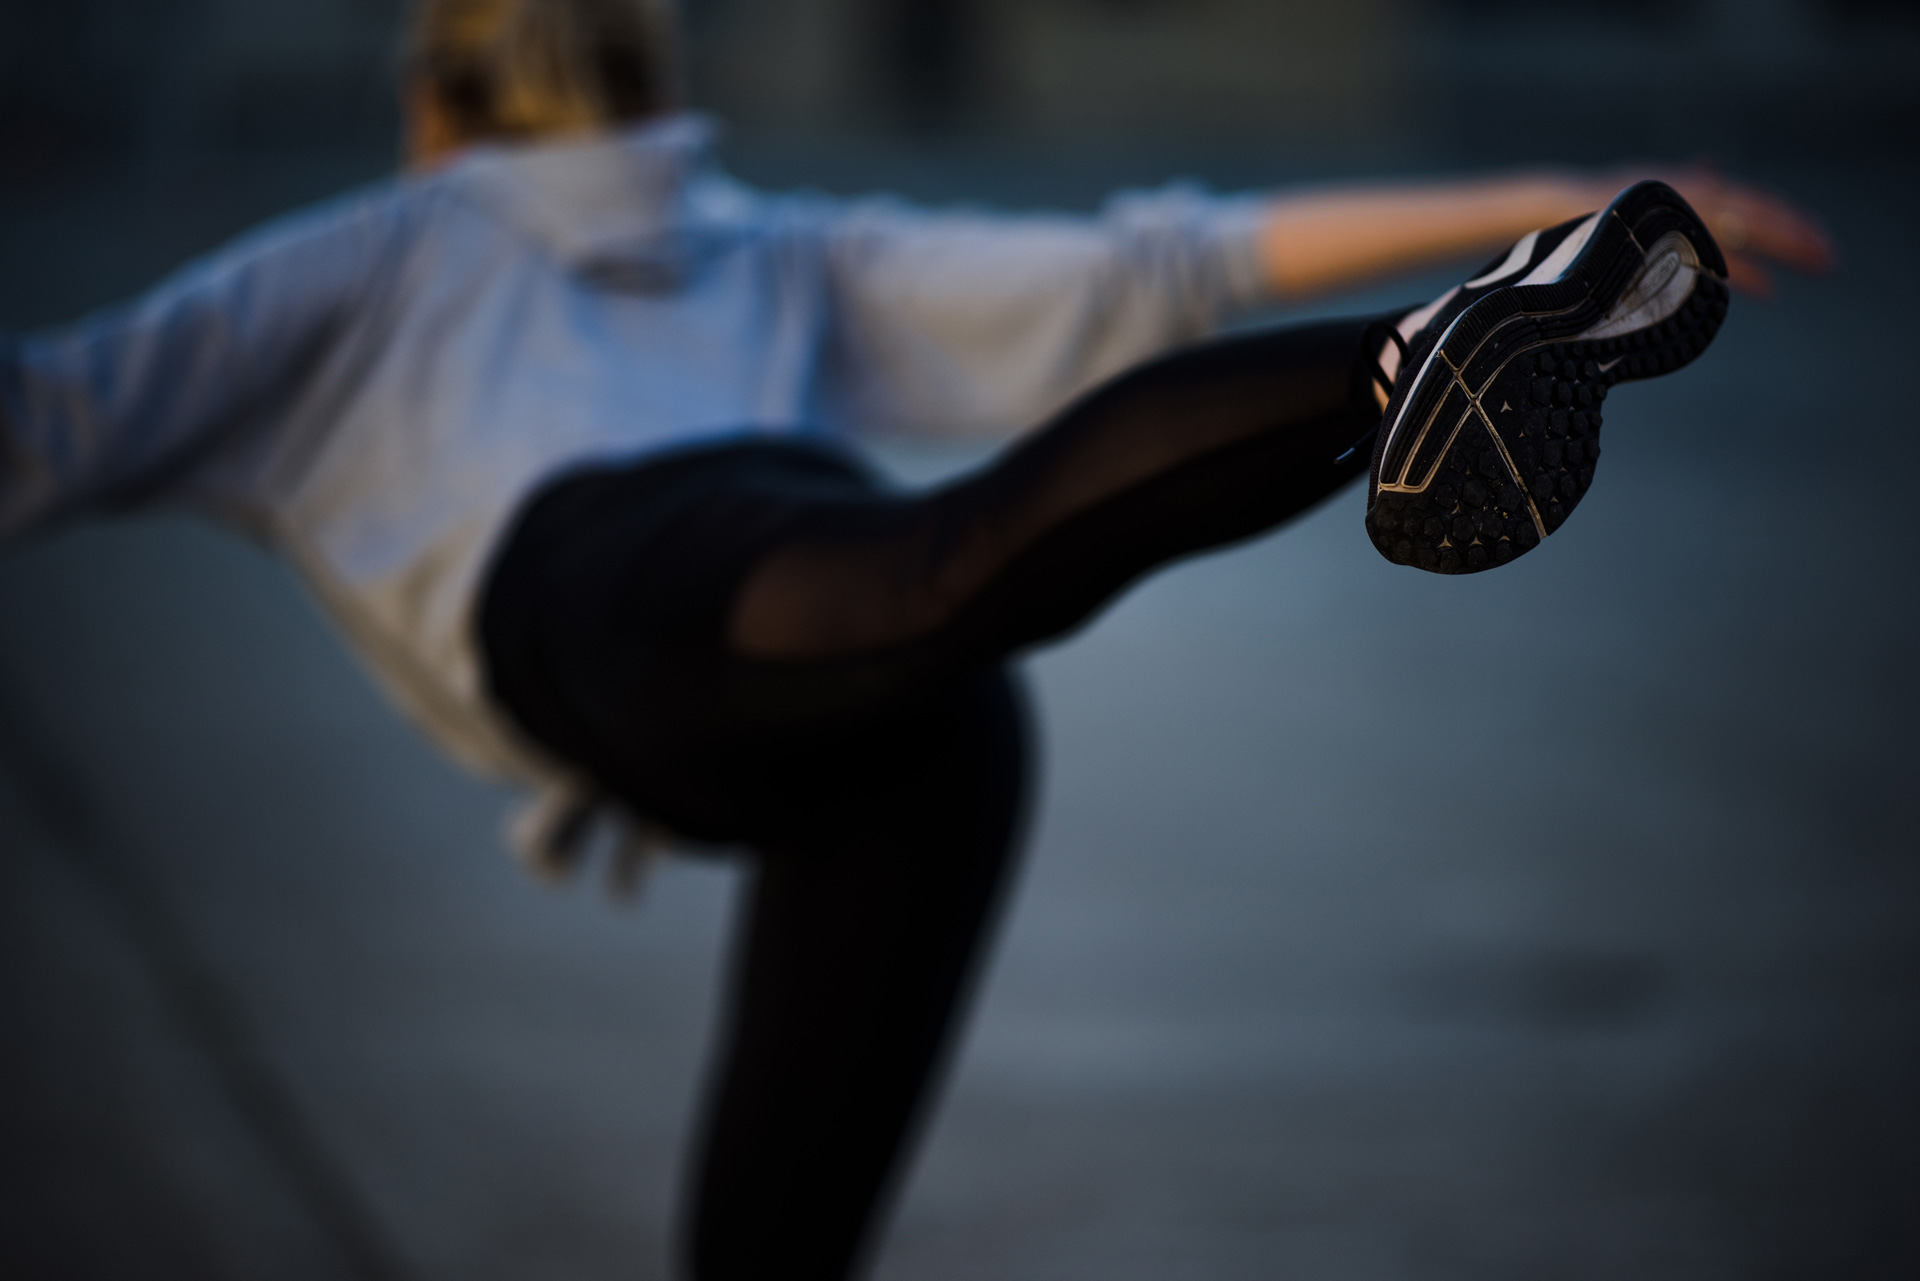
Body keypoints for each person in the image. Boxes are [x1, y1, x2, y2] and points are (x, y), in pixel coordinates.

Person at [0, 0, 1832, 1276]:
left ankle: (1423, 353)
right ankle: (1435, 344)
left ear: (437, 107)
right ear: (656, 99)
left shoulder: (383, 243)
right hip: (921, 716)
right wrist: (1551, 196)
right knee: (958, 566)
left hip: (638, 603)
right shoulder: (771, 239)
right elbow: (1168, 261)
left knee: (934, 573)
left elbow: (47, 425)